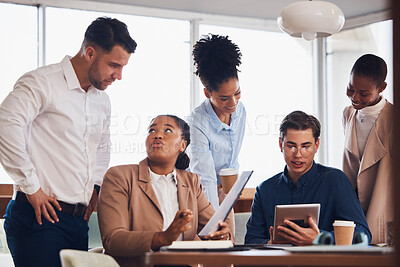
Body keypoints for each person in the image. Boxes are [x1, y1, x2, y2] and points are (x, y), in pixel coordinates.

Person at [0, 17, 137, 267]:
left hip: (77, 223)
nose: (118, 76)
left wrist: (96, 185)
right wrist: (31, 187)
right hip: (38, 219)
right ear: (90, 52)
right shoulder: (42, 82)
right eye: (114, 65)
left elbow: (102, 147)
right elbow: (5, 126)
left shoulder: (102, 100)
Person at [97, 115, 233, 267]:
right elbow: (113, 240)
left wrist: (221, 235)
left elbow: (211, 228)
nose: (157, 135)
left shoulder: (191, 181)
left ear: (182, 145)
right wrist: (161, 238)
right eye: (152, 130)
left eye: (167, 130)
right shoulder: (119, 176)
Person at [245, 111, 371, 245]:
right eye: (291, 146)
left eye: (305, 146)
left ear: (316, 146)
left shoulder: (336, 180)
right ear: (281, 144)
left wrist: (320, 238)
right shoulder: (265, 189)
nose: (298, 154)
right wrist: (270, 244)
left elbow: (363, 234)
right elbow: (251, 241)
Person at [187, 34, 246, 210]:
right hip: (199, 195)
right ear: (208, 94)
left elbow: (233, 159)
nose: (233, 103)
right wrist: (212, 218)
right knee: (211, 233)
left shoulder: (241, 111)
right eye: (224, 98)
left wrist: (231, 190)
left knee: (230, 236)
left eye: (237, 93)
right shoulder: (197, 123)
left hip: (225, 192)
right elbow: (205, 178)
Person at [342, 54, 394, 244]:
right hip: (354, 209)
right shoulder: (348, 114)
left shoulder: (393, 119)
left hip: (384, 211)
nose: (355, 97)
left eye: (363, 93)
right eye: (350, 88)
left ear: (381, 88)